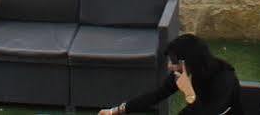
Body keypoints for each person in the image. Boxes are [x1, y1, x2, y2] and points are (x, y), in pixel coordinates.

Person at [99, 33, 242, 115]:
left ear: (189, 61)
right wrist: (115, 111)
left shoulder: (224, 79)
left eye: (174, 61)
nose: (169, 66)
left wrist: (189, 93)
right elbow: (156, 95)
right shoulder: (186, 73)